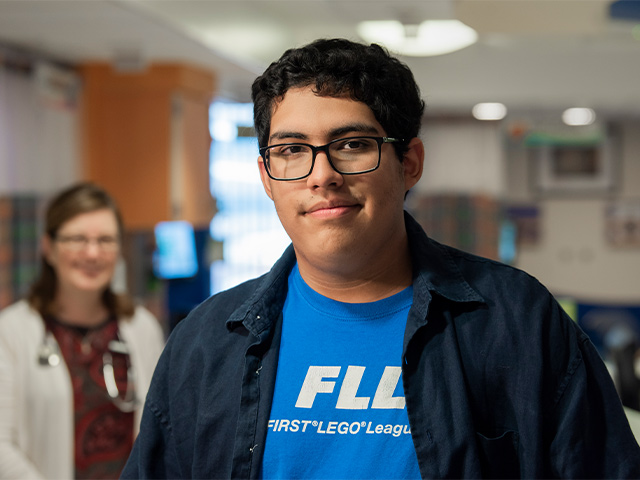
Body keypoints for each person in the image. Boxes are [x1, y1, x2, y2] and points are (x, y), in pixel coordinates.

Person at [121, 38, 640, 479]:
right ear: (265, 177)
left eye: (350, 144)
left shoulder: (515, 322)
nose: (321, 175)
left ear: (409, 162)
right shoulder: (207, 342)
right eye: (291, 150)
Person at [0, 182, 165, 479]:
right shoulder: (11, 332)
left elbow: (159, 430)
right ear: (48, 248)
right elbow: (2, 445)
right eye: (77, 239)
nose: (92, 253)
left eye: (105, 240)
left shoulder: (142, 328)